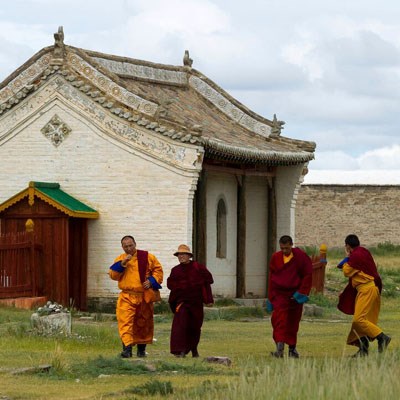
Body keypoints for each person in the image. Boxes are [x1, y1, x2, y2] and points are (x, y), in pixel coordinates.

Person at [108, 235, 163, 358]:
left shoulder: (147, 257)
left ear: (135, 244)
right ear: (122, 247)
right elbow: (113, 276)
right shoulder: (120, 259)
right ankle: (127, 350)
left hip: (143, 296)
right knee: (125, 322)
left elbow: (158, 270)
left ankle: (141, 350)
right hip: (127, 296)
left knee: (143, 323)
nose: (128, 248)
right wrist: (122, 264)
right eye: (125, 246)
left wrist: (152, 281)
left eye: (130, 245)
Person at [337, 234, 391, 357]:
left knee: (359, 320)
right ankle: (363, 349)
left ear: (348, 246)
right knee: (360, 321)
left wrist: (346, 261)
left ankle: (382, 337)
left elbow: (346, 272)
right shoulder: (363, 251)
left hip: (367, 290)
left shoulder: (355, 256)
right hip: (367, 289)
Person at [267, 235, 313, 358]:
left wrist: (301, 293)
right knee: (278, 321)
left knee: (293, 322)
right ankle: (279, 349)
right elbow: (271, 278)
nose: (284, 251)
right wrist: (270, 297)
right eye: (282, 248)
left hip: (294, 295)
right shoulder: (276, 257)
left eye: (287, 248)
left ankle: (292, 349)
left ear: (291, 245)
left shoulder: (300, 257)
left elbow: (307, 275)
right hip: (280, 295)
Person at [167, 244, 214, 358]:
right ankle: (180, 350)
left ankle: (194, 349)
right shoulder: (175, 270)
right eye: (179, 255)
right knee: (180, 326)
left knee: (195, 327)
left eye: (183, 254)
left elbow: (209, 280)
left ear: (189, 256)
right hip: (182, 303)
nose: (181, 256)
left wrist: (208, 299)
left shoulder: (198, 267)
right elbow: (170, 284)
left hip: (196, 303)